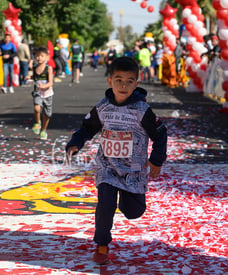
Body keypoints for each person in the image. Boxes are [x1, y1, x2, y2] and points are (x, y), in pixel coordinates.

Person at [65, 57, 167, 265]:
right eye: (118, 79)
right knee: (105, 205)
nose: (123, 85)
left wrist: (156, 160)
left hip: (133, 171)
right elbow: (87, 128)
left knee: (133, 211)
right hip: (107, 168)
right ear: (110, 81)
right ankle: (102, 245)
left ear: (136, 84)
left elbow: (160, 134)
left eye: (130, 81)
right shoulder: (103, 107)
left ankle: (127, 200)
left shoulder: (142, 110)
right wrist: (76, 142)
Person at [31, 46, 54, 141]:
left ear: (47, 58)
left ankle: (43, 130)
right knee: (37, 108)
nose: (39, 58)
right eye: (37, 56)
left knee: (47, 115)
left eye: (42, 56)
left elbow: (50, 83)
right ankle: (38, 123)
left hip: (48, 94)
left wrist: (43, 86)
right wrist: (29, 78)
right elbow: (34, 77)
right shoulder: (34, 68)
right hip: (37, 92)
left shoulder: (49, 68)